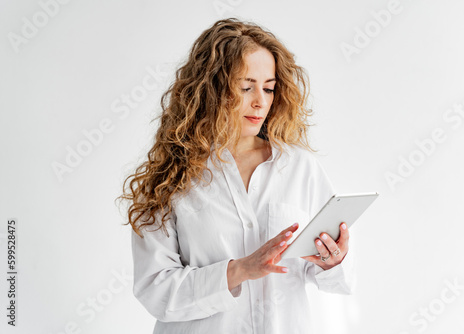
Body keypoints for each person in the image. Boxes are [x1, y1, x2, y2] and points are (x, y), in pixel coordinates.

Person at [117, 17, 354, 334]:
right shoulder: (172, 177)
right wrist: (239, 270)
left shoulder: (299, 168)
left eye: (269, 88)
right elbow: (156, 291)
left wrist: (332, 261)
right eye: (246, 87)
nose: (260, 101)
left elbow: (340, 281)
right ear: (211, 88)